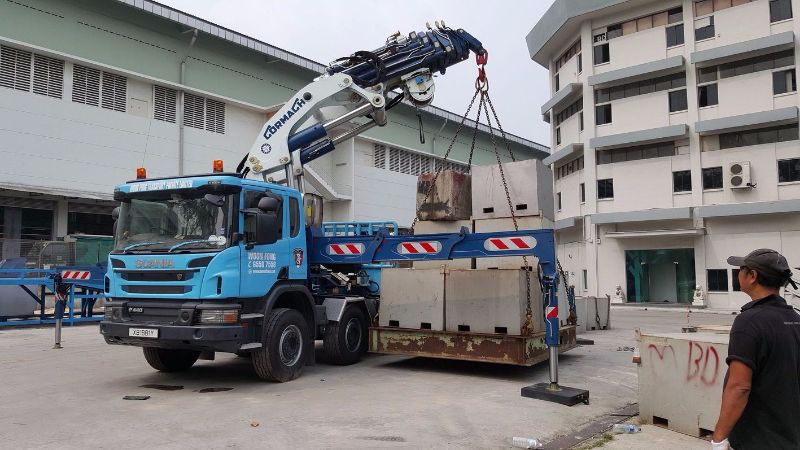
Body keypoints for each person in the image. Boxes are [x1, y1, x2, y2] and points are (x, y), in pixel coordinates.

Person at [712, 249, 800, 450]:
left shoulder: (749, 322)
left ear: (752, 276)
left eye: (741, 269)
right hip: (790, 437)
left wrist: (718, 438)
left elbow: (739, 387)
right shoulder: (795, 320)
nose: (738, 274)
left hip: (758, 439)